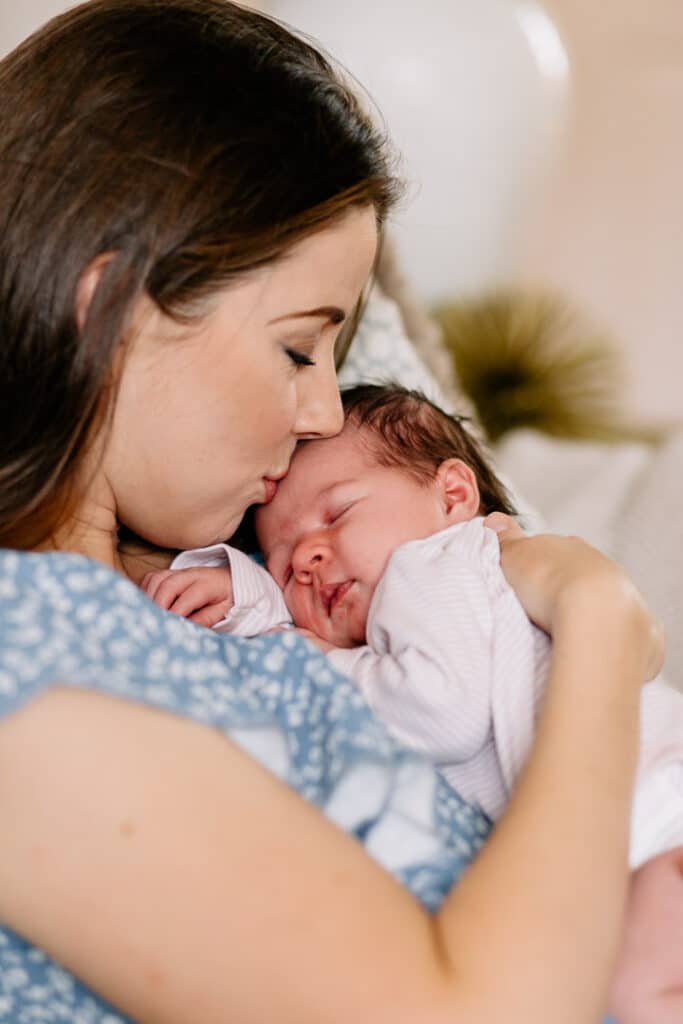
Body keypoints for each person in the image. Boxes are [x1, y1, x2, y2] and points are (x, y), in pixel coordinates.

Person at [0, 2, 665, 1023]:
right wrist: (598, 624)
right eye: (297, 348)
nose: (319, 412)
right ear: (109, 311)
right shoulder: (27, 656)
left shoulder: (205, 601)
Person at [147, 382, 683, 1024]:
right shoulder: (429, 591)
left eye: (338, 514)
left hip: (658, 820)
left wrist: (306, 652)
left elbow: (438, 712)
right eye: (286, 564)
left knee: (634, 994)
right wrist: (250, 595)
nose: (311, 557)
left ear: (453, 495)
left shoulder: (435, 564)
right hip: (645, 826)